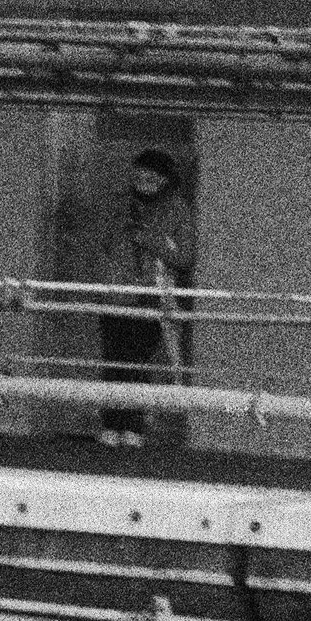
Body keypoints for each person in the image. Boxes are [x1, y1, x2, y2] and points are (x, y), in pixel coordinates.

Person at [96, 147, 196, 447]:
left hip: (152, 296)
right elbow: (104, 245)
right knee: (114, 360)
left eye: (150, 177)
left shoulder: (177, 210)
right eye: (137, 176)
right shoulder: (121, 206)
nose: (142, 182)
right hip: (114, 293)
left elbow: (185, 257)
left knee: (138, 360)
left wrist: (152, 241)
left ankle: (135, 426)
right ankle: (111, 423)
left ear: (165, 179)